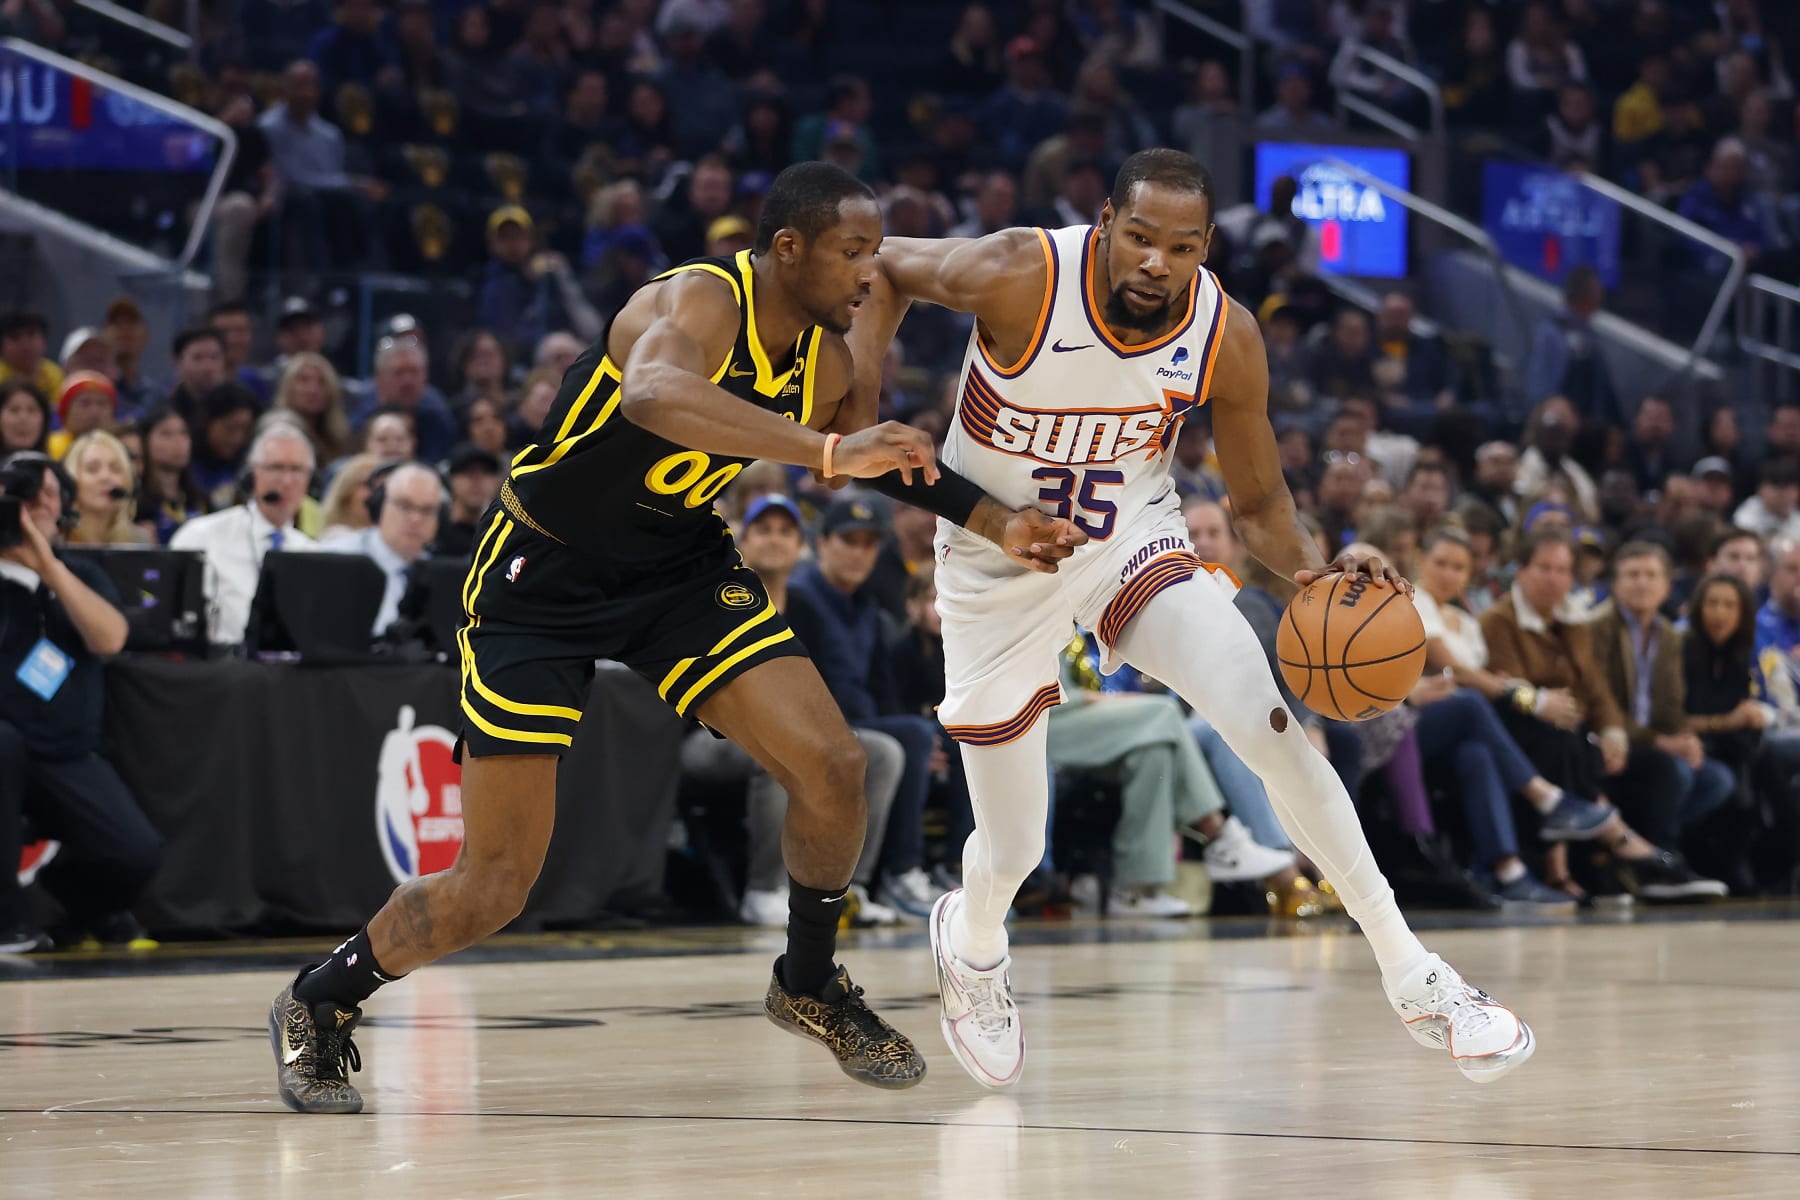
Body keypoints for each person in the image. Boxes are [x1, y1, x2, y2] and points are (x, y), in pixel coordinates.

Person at [267, 162, 1082, 1113]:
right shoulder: (697, 298)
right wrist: (822, 449)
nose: (868, 273)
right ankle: (321, 1000)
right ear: (789, 249)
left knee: (835, 765)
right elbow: (652, 394)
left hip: (678, 565)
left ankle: (808, 980)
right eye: (851, 253)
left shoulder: (823, 363)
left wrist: (995, 519)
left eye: (874, 256)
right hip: (543, 574)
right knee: (493, 885)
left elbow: (884, 454)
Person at [850, 148, 1535, 1090]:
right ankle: (971, 946)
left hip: (1131, 537)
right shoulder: (1017, 272)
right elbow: (883, 264)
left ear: (1207, 247)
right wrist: (856, 406)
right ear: (1104, 226)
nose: (1156, 263)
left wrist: (1313, 576)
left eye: (1180, 246)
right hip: (991, 557)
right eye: (1138, 237)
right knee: (1013, 847)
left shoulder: (1227, 333)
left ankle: (1418, 976)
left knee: (1274, 729)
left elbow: (1256, 503)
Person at [683, 492, 906, 928]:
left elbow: (821, 694)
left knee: (880, 752)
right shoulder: (716, 598)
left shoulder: (807, 610)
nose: (775, 540)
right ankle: (764, 890)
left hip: (782, 734)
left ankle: (849, 889)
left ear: (800, 545)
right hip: (706, 739)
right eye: (763, 530)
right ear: (741, 540)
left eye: (785, 531)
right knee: (779, 751)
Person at [1480, 530, 1725, 901]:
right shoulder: (1498, 620)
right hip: (1524, 735)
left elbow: (1596, 691)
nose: (1554, 578)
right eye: (1543, 567)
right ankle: (1616, 851)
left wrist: (1613, 732)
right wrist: (1553, 701)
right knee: (1563, 740)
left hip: (1577, 731)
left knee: (1666, 767)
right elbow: (1510, 686)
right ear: (1522, 571)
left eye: (1562, 570)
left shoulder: (1573, 622)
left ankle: (1645, 866)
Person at [0, 451, 160, 953]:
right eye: (24, 494)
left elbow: (110, 638)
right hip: (4, 747)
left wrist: (48, 568)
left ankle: (79, 905)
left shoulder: (81, 576)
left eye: (48, 496)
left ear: (65, 512)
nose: (34, 506)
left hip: (64, 752)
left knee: (136, 852)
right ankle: (8, 922)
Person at [170, 424, 319, 646]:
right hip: (221, 670)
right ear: (251, 474)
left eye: (297, 470)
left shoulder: (313, 554)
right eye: (276, 468)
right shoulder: (202, 536)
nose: (287, 481)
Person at [322, 462, 443, 637]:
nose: (416, 518)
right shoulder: (335, 559)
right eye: (404, 505)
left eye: (427, 510)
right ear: (379, 506)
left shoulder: (441, 576)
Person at [62, 431, 152, 546]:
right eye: (92, 469)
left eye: (115, 469)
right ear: (71, 479)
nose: (105, 477)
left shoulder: (140, 540)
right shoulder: (58, 538)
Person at [434, 445, 502, 558]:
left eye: (485, 472)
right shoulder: (433, 524)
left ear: (496, 481)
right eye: (468, 472)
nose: (476, 481)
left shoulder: (501, 529)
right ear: (451, 479)